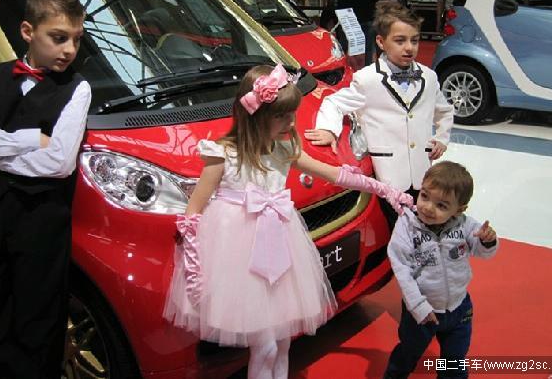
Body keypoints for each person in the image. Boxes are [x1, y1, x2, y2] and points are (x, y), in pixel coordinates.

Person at [163, 64, 413, 379]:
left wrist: (383, 188)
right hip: (238, 256)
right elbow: (194, 210)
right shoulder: (222, 153)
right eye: (281, 116)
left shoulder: (284, 149)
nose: (290, 122)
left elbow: (336, 174)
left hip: (279, 246)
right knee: (265, 347)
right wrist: (195, 264)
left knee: (282, 345)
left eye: (291, 114)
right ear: (255, 114)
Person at [0, 0, 90, 378]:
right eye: (59, 38)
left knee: (38, 321)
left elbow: (60, 162)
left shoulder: (77, 89)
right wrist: (31, 139)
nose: (69, 50)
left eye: (76, 40)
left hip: (42, 223)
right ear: (28, 31)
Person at [305, 1, 454, 231]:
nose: (409, 48)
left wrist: (442, 138)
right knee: (399, 233)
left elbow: (444, 111)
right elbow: (334, 102)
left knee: (426, 229)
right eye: (400, 40)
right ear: (381, 42)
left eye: (414, 40)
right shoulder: (367, 79)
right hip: (388, 176)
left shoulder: (429, 77)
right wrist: (328, 129)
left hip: (423, 173)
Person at [384, 161, 498, 378]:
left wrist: (488, 241)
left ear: (459, 210)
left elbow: (483, 252)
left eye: (442, 205)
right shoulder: (406, 227)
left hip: (459, 308)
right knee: (408, 353)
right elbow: (402, 269)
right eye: (425, 196)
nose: (428, 207)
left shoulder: (464, 225)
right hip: (422, 311)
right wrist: (418, 306)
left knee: (454, 363)